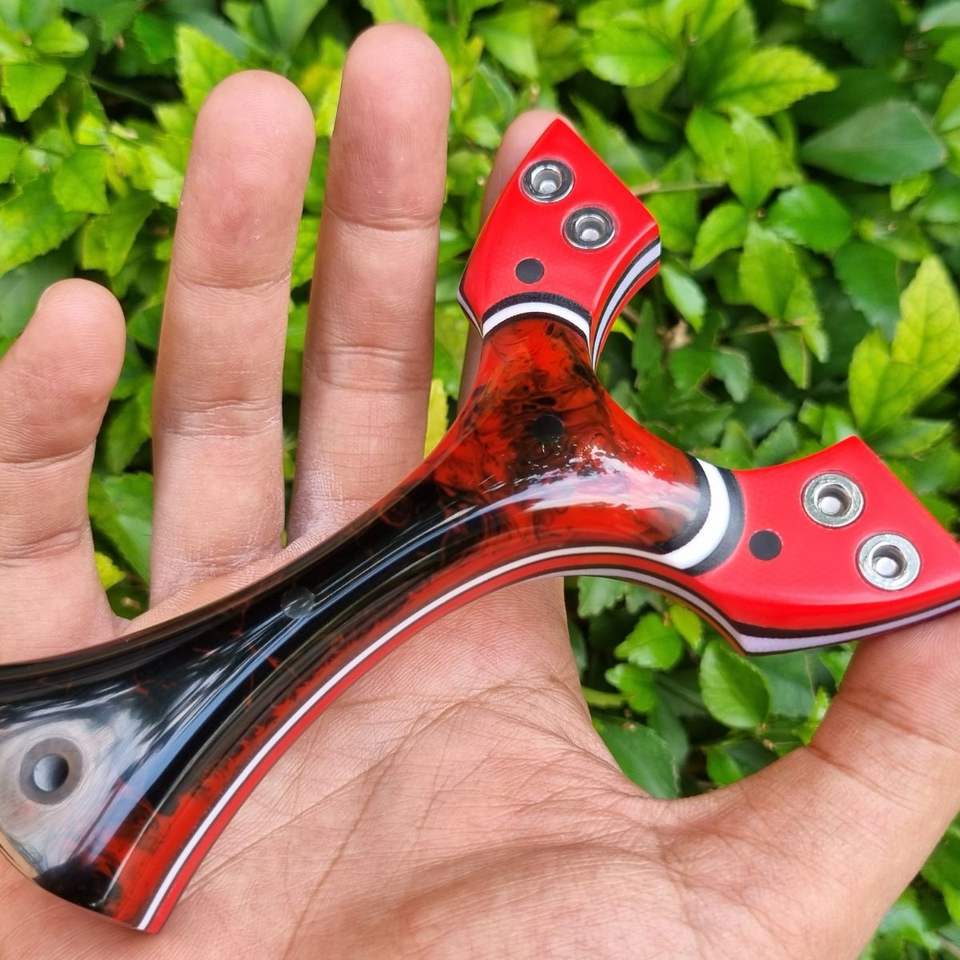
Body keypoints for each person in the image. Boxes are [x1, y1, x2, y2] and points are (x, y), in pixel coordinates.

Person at [0, 23, 957, 959]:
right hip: (112, 770)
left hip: (116, 770)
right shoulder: (595, 469)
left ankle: (96, 779)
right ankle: (95, 780)